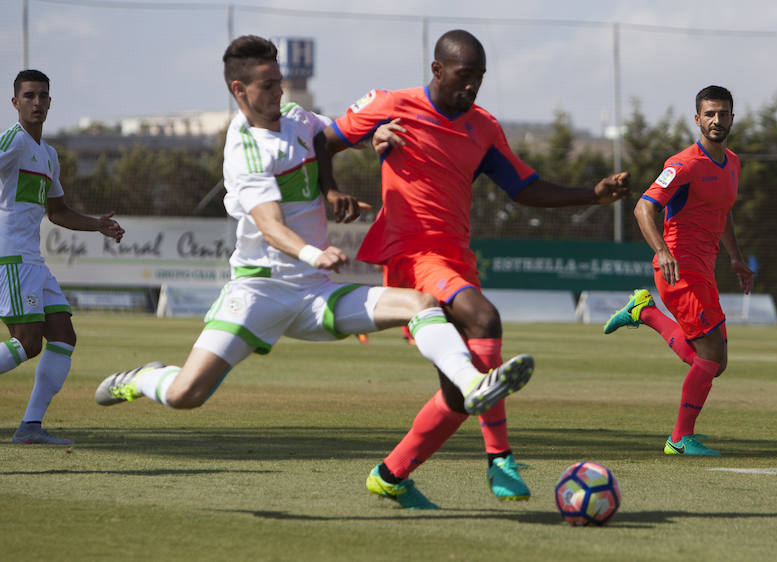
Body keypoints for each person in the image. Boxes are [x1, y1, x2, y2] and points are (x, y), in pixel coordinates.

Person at [94, 36, 534, 466]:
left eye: (279, 81)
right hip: (259, 292)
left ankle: (472, 384)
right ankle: (144, 378)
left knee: (420, 302)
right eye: (268, 86)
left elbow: (335, 136)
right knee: (185, 395)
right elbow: (269, 226)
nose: (279, 91)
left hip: (316, 292)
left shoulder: (296, 117)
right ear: (239, 91)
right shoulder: (244, 148)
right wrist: (311, 253)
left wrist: (377, 136)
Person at [318, 29, 629, 508]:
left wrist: (592, 193)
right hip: (412, 254)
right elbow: (324, 141)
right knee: (485, 319)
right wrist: (329, 188)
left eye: (480, 78)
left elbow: (523, 187)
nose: (473, 87)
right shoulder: (390, 104)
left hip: (455, 257)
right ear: (437, 71)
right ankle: (500, 458)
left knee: (461, 393)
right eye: (465, 76)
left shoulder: (483, 127)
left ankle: (390, 474)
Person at [603, 85, 753, 456]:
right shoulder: (683, 164)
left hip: (705, 269)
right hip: (679, 269)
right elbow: (643, 208)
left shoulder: (732, 163)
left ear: (732, 118)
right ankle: (679, 439)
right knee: (711, 354)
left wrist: (735, 257)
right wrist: (662, 251)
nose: (717, 120)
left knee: (716, 362)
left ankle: (646, 312)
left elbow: (723, 211)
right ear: (697, 118)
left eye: (723, 114)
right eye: (710, 114)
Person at [1, 70, 125, 444]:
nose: (36, 102)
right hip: (10, 257)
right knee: (27, 342)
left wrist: (96, 225)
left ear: (50, 102)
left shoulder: (48, 155)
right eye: (29, 96)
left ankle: (30, 427)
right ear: (15, 103)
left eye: (42, 96)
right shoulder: (14, 141)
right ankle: (29, 429)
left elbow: (57, 212)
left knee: (63, 336)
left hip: (32, 260)